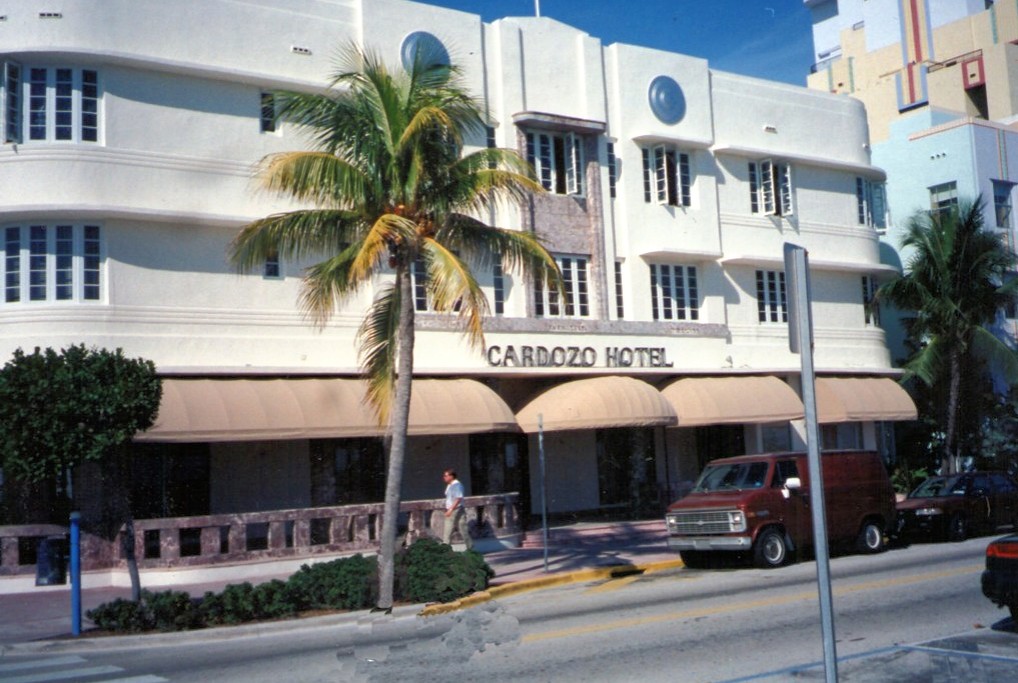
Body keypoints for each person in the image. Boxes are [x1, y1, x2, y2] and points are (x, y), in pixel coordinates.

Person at [442, 468, 472, 550]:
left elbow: (458, 499)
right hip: (456, 509)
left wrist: (450, 510)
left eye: (446, 475)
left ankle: (445, 549)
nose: (444, 477)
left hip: (455, 509)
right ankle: (470, 546)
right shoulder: (449, 485)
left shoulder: (457, 485)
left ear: (451, 476)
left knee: (448, 530)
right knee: (462, 529)